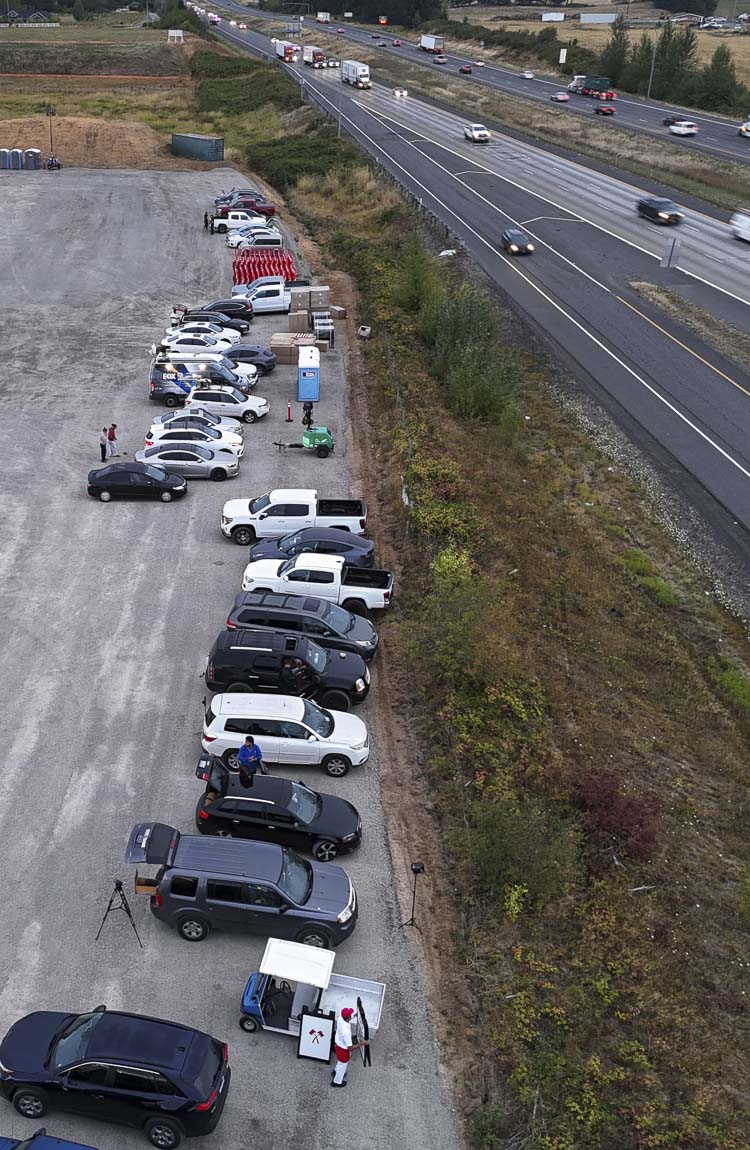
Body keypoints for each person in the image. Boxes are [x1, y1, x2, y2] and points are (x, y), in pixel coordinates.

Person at [331, 1006, 368, 1088]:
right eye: (350, 1015)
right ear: (348, 1018)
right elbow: (350, 1047)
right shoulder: (346, 1032)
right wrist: (362, 1043)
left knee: (340, 1062)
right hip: (343, 1050)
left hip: (337, 1045)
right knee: (343, 1066)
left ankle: (335, 1071)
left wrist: (354, 1015)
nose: (351, 1015)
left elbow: (346, 1018)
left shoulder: (340, 1018)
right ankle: (337, 1081)